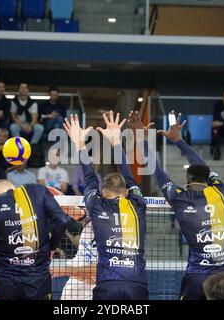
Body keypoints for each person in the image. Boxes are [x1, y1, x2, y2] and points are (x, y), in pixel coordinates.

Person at [128, 110, 224, 300]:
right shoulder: (222, 190)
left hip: (197, 279)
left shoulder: (179, 197)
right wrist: (179, 140)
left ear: (188, 180)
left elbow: (157, 170)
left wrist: (141, 139)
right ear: (208, 178)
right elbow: (202, 166)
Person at [64, 112, 149, 300]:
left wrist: (79, 143)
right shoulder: (138, 204)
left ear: (103, 193)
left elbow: (89, 176)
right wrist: (116, 141)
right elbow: (128, 175)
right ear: (126, 192)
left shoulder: (96, 206)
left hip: (107, 283)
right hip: (136, 284)